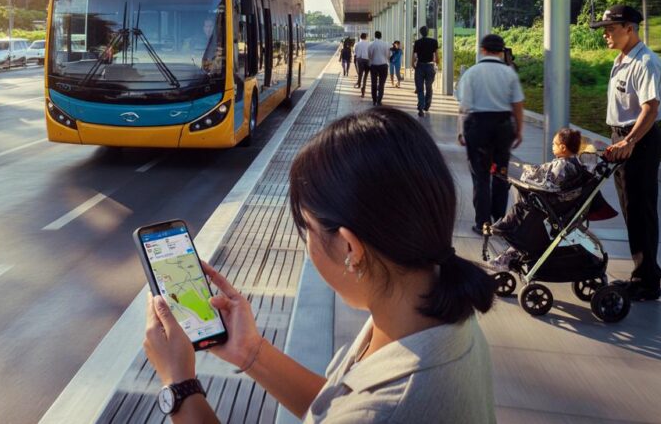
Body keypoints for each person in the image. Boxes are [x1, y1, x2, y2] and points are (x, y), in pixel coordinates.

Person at [143, 108, 497, 423]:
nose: (306, 243)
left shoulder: (384, 409)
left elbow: (362, 412)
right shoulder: (441, 314)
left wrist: (179, 385)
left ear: (349, 247)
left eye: (307, 228)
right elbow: (338, 405)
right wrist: (250, 352)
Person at [590, 4, 661, 301]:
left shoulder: (645, 62)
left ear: (630, 29)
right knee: (631, 209)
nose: (606, 34)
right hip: (623, 139)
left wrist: (630, 141)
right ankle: (644, 273)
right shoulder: (622, 59)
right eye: (605, 30)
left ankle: (647, 281)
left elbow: (651, 107)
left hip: (639, 141)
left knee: (641, 211)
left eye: (611, 29)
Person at [488, 128, 589, 268]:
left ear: (563, 147)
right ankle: (507, 257)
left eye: (554, 143)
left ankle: (504, 228)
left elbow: (548, 184)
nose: (552, 146)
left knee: (520, 209)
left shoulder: (562, 166)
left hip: (551, 207)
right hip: (558, 207)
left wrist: (527, 180)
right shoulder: (574, 165)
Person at [456, 33, 525, 234]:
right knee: (501, 174)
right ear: (501, 51)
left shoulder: (472, 73)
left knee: (480, 175)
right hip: (503, 126)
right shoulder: (509, 73)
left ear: (482, 49)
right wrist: (518, 129)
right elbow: (518, 104)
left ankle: (482, 223)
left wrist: (461, 131)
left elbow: (464, 106)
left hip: (477, 125)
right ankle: (500, 220)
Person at [412, 26, 438, 117]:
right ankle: (427, 105)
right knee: (429, 86)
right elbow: (436, 55)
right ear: (428, 32)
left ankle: (421, 107)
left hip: (420, 66)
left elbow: (414, 55)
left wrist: (413, 64)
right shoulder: (434, 42)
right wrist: (436, 64)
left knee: (420, 88)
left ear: (420, 33)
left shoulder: (417, 42)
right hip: (430, 66)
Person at [367, 31, 389, 105]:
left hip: (374, 65)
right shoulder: (386, 44)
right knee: (381, 83)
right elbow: (388, 55)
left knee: (373, 83)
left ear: (375, 36)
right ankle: (379, 100)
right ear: (381, 36)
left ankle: (374, 100)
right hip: (383, 65)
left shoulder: (371, 44)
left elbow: (369, 56)